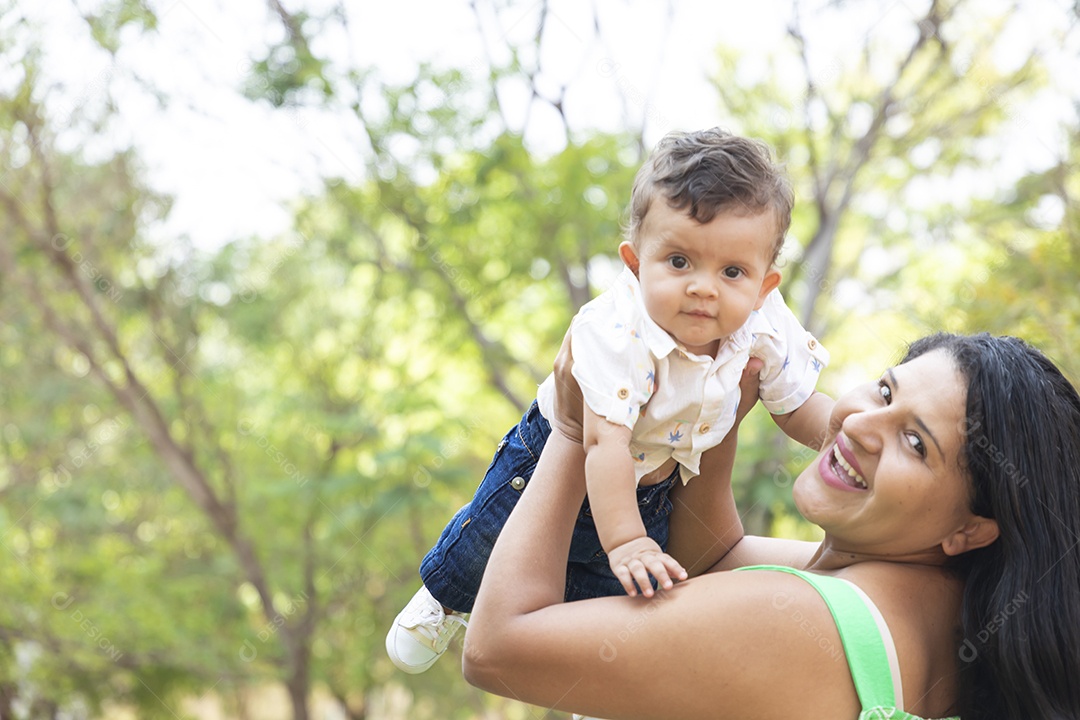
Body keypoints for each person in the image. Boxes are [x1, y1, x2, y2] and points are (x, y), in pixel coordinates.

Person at [386, 128, 834, 674]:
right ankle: (444, 598)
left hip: (655, 483)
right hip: (561, 452)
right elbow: (599, 442)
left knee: (619, 589)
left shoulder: (763, 322)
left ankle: (597, 676)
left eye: (732, 272)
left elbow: (797, 405)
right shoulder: (616, 330)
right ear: (634, 261)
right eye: (678, 261)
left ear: (765, 284)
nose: (703, 287)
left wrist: (849, 433)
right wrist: (626, 540)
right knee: (491, 537)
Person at [463, 332, 1080, 720]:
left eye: (915, 442)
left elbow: (499, 649)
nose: (863, 425)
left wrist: (582, 428)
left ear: (972, 529)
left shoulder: (804, 621)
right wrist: (723, 405)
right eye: (885, 390)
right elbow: (716, 557)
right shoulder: (932, 604)